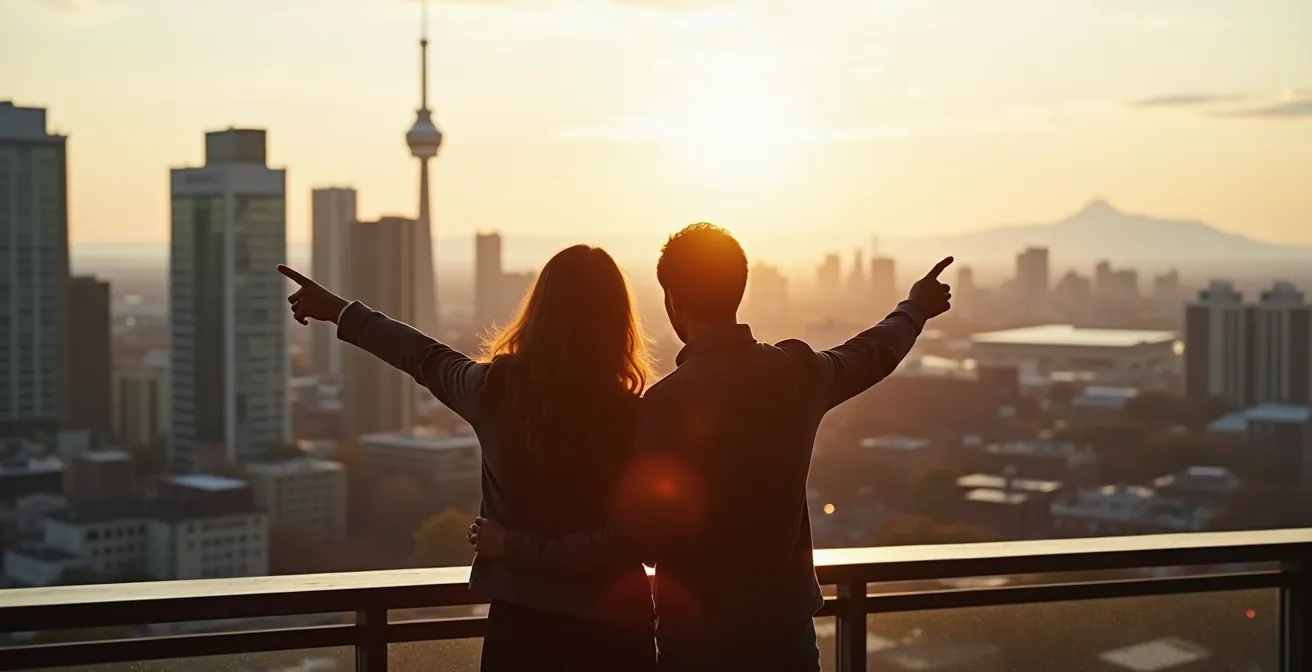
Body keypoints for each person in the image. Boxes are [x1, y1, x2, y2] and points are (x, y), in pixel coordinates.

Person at [470, 223, 953, 672]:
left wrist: (511, 545)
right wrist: (914, 308)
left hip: (698, 647)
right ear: (739, 289)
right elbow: (871, 353)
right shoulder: (797, 375)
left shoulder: (666, 404)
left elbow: (634, 540)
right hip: (787, 641)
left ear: (673, 300)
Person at [277, 245, 657, 672]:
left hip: (525, 629)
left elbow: (423, 356)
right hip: (617, 632)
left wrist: (341, 311)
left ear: (539, 311)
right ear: (618, 322)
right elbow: (626, 541)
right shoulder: (639, 416)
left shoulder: (493, 393)